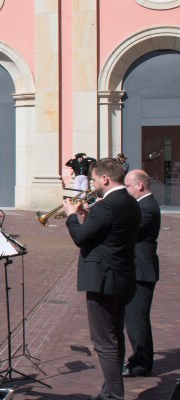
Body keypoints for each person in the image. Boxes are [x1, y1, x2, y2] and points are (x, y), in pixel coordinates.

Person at [63, 158, 140, 400]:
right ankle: (109, 391)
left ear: (105, 179)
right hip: (122, 277)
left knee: (104, 341)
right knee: (115, 337)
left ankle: (114, 395)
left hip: (103, 280)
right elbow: (106, 235)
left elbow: (81, 238)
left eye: (94, 179)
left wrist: (72, 216)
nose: (93, 183)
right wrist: (89, 216)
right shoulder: (130, 202)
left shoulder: (106, 206)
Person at [123, 169, 161, 378]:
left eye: (127, 186)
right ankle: (140, 360)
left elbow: (127, 232)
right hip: (137, 269)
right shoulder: (142, 205)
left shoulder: (147, 207)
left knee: (137, 319)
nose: (126, 190)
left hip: (142, 271)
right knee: (134, 319)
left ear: (139, 185)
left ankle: (140, 364)